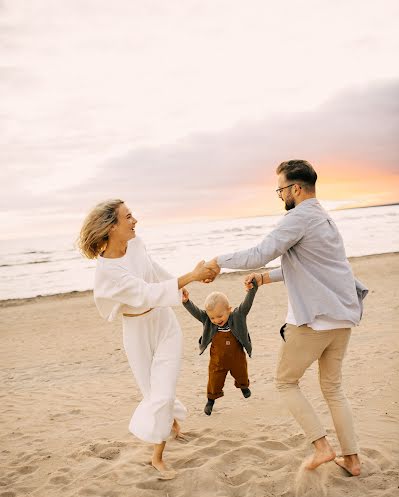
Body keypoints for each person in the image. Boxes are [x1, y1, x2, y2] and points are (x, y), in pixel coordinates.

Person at [204, 160, 368, 476]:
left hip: (314, 320)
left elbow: (258, 253)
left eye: (280, 189)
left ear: (295, 188)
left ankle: (322, 447)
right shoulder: (323, 217)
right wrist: (265, 279)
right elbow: (312, 267)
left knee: (285, 382)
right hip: (342, 318)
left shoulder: (298, 217)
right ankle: (352, 459)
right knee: (333, 389)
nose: (280, 196)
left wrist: (216, 261)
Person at [78, 199, 215, 479]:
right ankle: (172, 424)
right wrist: (190, 276)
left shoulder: (137, 245)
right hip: (137, 331)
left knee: (162, 391)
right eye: (128, 217)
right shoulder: (108, 272)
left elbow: (152, 271)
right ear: (111, 227)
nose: (135, 220)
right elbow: (145, 292)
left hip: (164, 323)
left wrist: (182, 287)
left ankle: (157, 457)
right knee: (153, 393)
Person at [182, 280, 258, 415]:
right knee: (214, 380)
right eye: (212, 318)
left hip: (237, 357)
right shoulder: (207, 320)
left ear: (229, 309)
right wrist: (186, 302)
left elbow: (247, 305)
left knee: (242, 373)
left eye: (220, 316)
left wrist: (252, 290)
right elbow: (197, 313)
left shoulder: (237, 316)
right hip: (217, 360)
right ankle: (210, 400)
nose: (216, 320)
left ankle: (244, 387)